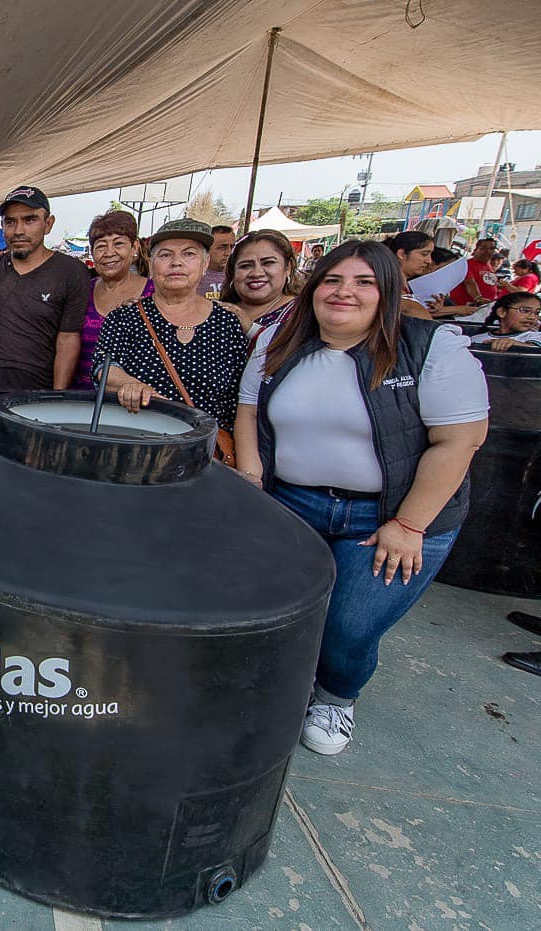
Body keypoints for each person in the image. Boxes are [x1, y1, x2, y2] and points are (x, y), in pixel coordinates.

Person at [234, 239, 488, 756]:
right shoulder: (279, 340)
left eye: (363, 282)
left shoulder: (430, 346)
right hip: (293, 504)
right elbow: (248, 413)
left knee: (349, 626)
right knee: (278, 610)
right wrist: (253, 487)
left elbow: (459, 440)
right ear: (312, 287)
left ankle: (335, 696)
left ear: (388, 291)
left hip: (390, 516)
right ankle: (290, 684)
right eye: (332, 280)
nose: (344, 292)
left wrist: (410, 525)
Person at [92, 218, 248, 433]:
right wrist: (130, 384)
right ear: (152, 265)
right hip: (137, 441)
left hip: (204, 450)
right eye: (165, 255)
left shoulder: (227, 323)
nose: (177, 262)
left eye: (189, 254)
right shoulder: (125, 317)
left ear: (204, 264)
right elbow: (104, 368)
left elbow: (239, 400)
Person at [0, 186, 90, 394]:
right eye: (10, 222)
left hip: (32, 394)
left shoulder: (71, 271)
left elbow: (68, 339)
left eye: (29, 220)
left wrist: (56, 396)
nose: (18, 230)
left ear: (48, 224)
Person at [74, 210, 152, 389]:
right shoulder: (81, 290)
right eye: (101, 246)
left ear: (135, 248)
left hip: (133, 404)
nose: (109, 253)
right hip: (78, 402)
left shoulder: (154, 293)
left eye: (118, 244)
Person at [219, 229, 300, 336]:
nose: (256, 273)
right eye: (245, 265)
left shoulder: (303, 314)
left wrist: (252, 330)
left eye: (268, 263)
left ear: (288, 267)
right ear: (233, 272)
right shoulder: (220, 311)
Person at [384, 230, 439, 320]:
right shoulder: (389, 285)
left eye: (430, 254)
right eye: (424, 254)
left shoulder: (405, 285)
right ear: (401, 254)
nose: (429, 261)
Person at [470, 291, 541, 350]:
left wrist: (515, 344)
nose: (532, 317)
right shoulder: (475, 339)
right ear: (502, 312)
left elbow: (536, 348)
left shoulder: (536, 336)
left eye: (537, 313)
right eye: (525, 310)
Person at [447, 237, 498, 309]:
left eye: (491, 248)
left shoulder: (488, 265)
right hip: (465, 308)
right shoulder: (467, 264)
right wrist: (478, 298)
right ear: (476, 249)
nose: (488, 251)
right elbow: (469, 282)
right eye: (483, 248)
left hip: (482, 308)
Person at [196, 225, 235, 299]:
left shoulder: (238, 276)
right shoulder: (194, 276)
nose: (228, 253)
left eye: (232, 247)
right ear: (207, 248)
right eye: (222, 247)